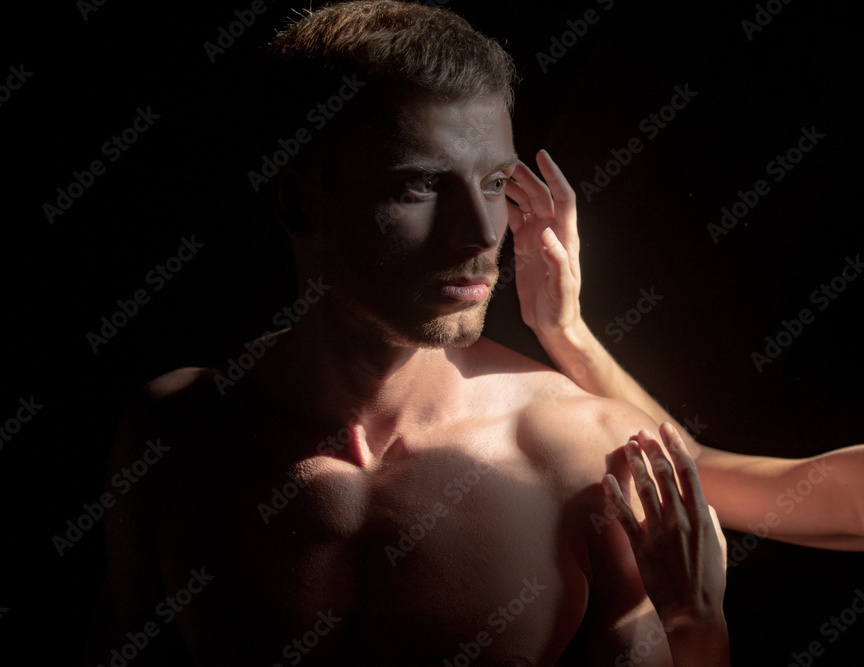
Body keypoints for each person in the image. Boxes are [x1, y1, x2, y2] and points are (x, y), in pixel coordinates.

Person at [84, 2, 861, 664]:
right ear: (299, 206)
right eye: (420, 185)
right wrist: (570, 334)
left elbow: (790, 493)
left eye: (494, 184)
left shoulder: (576, 456)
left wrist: (695, 625)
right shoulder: (175, 436)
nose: (482, 231)